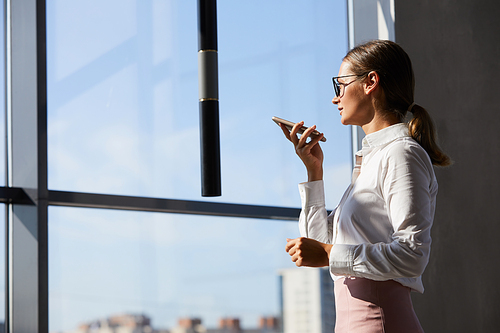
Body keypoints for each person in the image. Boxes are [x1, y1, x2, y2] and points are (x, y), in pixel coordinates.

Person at [280, 40, 451, 333]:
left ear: (371, 82)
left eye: (340, 85)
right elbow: (316, 242)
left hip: (380, 323)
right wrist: (314, 171)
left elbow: (413, 254)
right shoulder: (372, 161)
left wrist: (330, 254)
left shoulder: (401, 154)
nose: (336, 98)